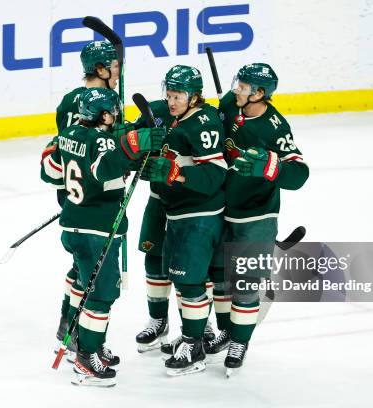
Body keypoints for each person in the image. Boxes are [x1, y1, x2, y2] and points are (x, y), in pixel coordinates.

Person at [41, 87, 164, 386]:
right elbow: (103, 168)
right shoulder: (101, 139)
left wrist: (128, 146)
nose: (117, 116)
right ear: (105, 114)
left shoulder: (68, 133)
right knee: (101, 295)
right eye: (114, 112)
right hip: (98, 230)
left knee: (85, 284)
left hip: (73, 226)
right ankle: (88, 357)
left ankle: (86, 346)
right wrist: (135, 143)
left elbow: (51, 172)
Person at [207, 63, 309, 376]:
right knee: (220, 277)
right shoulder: (229, 104)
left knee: (246, 283)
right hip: (222, 204)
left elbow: (299, 173)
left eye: (243, 85)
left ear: (260, 94)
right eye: (237, 83)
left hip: (257, 211)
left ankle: (240, 341)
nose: (236, 88)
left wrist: (271, 167)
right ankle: (227, 329)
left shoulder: (274, 126)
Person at [141, 65, 227, 376]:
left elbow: (215, 175)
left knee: (190, 281)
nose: (171, 101)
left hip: (199, 215)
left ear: (193, 97)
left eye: (177, 96)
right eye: (169, 94)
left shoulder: (203, 124)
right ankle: (195, 336)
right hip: (176, 212)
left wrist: (174, 173)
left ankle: (195, 348)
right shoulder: (173, 116)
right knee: (183, 278)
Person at [42, 40, 121, 364]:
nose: (118, 71)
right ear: (101, 69)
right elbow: (99, 147)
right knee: (94, 272)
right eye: (114, 66)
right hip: (95, 193)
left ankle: (68, 321)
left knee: (82, 266)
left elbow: (62, 148)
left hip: (73, 192)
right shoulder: (103, 103)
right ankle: (81, 334)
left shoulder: (70, 101)